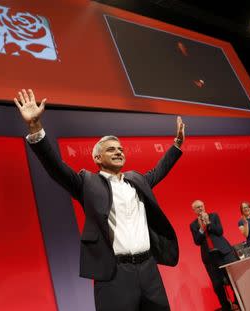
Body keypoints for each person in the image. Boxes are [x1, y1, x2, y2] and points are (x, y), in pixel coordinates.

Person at [13, 89, 185, 311]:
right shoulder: (88, 182)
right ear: (97, 157)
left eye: (120, 149)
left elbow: (160, 169)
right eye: (111, 149)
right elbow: (56, 168)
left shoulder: (137, 180)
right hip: (114, 275)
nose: (118, 152)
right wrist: (35, 127)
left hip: (149, 270)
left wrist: (177, 145)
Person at [190, 200, 238, 311]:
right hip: (209, 257)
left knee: (233, 279)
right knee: (217, 285)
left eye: (201, 206)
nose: (200, 208)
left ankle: (238, 302)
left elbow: (220, 231)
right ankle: (226, 307)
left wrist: (209, 223)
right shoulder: (193, 225)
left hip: (224, 252)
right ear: (194, 210)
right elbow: (197, 241)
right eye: (197, 207)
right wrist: (201, 229)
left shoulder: (214, 216)